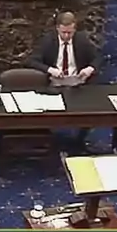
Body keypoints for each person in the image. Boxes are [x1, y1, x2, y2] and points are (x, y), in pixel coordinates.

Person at [27, 12, 102, 149]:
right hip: (54, 83)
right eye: (63, 32)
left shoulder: (81, 40)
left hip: (78, 82)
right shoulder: (48, 41)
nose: (67, 36)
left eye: (70, 32)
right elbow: (32, 61)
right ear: (57, 28)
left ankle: (80, 140)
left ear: (74, 29)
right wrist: (51, 70)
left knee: (89, 108)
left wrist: (90, 68)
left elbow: (97, 58)